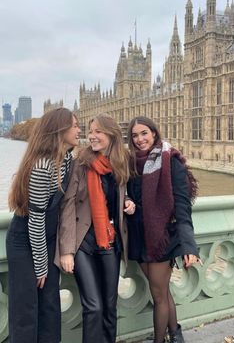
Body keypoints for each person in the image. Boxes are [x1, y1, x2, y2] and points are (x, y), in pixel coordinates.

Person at [56, 113, 135, 343]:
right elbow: (68, 205)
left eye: (97, 131)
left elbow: (121, 194)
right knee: (94, 306)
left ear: (111, 134)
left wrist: (128, 202)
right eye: (90, 131)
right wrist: (67, 250)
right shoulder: (81, 162)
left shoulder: (121, 162)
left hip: (110, 242)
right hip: (83, 244)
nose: (92, 136)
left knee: (110, 307)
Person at [6, 107, 81, 343]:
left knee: (50, 303)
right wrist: (41, 265)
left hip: (47, 238)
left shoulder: (67, 159)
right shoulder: (42, 167)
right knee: (26, 307)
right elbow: (35, 220)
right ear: (60, 130)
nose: (80, 129)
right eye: (75, 125)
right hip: (25, 240)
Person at [126, 116, 201, 343]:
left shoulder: (170, 161)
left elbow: (182, 206)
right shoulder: (131, 163)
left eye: (144, 133)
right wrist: (127, 199)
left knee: (158, 295)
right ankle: (176, 334)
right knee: (161, 290)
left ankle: (161, 340)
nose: (140, 139)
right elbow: (124, 191)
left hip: (161, 236)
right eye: (135, 135)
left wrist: (189, 245)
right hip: (139, 235)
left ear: (154, 133)